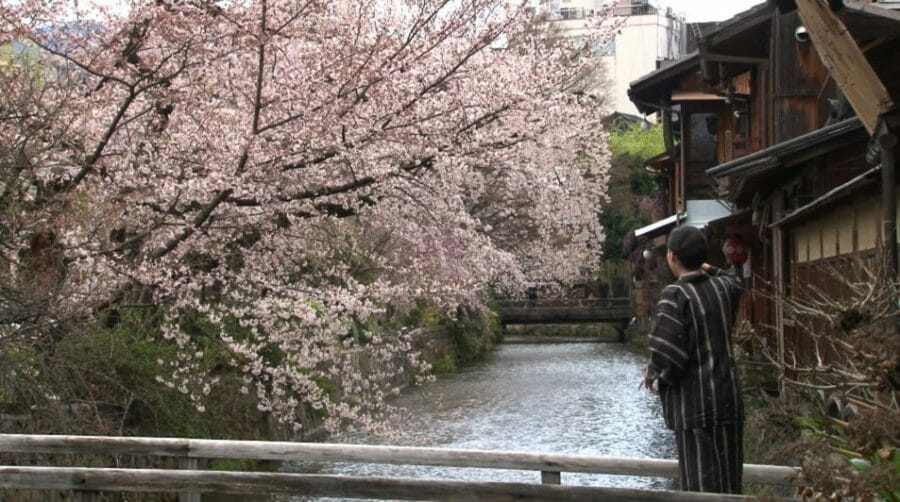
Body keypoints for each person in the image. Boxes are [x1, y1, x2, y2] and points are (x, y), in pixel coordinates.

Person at [642, 225, 744, 494]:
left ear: (672, 256)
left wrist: (657, 376)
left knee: (700, 486)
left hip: (695, 405)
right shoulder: (723, 287)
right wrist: (706, 266)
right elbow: (734, 280)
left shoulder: (675, 296)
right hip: (729, 400)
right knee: (729, 482)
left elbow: (669, 357)